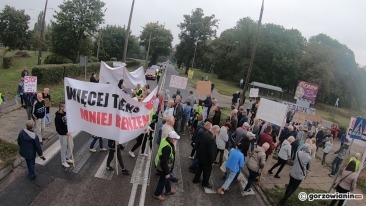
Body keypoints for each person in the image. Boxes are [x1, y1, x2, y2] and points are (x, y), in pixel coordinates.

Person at [153, 131, 180, 201]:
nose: (175, 140)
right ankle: (157, 194)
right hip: (164, 167)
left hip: (162, 164)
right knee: (163, 180)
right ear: (171, 138)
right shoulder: (167, 148)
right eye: (175, 139)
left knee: (167, 178)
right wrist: (167, 172)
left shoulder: (165, 139)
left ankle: (168, 190)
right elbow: (163, 162)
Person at [193, 122, 217, 189]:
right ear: (215, 131)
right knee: (207, 172)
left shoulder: (204, 134)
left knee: (199, 168)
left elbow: (199, 143)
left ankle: (196, 179)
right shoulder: (211, 139)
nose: (217, 134)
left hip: (200, 156)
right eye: (217, 133)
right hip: (206, 159)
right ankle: (205, 183)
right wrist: (212, 161)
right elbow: (211, 152)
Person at [54, 102, 74, 168]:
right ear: (61, 108)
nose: (66, 109)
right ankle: (63, 161)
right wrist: (65, 133)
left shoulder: (65, 113)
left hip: (68, 133)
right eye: (65, 107)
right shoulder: (57, 117)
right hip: (63, 135)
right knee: (63, 148)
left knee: (71, 145)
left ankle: (67, 158)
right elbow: (58, 129)